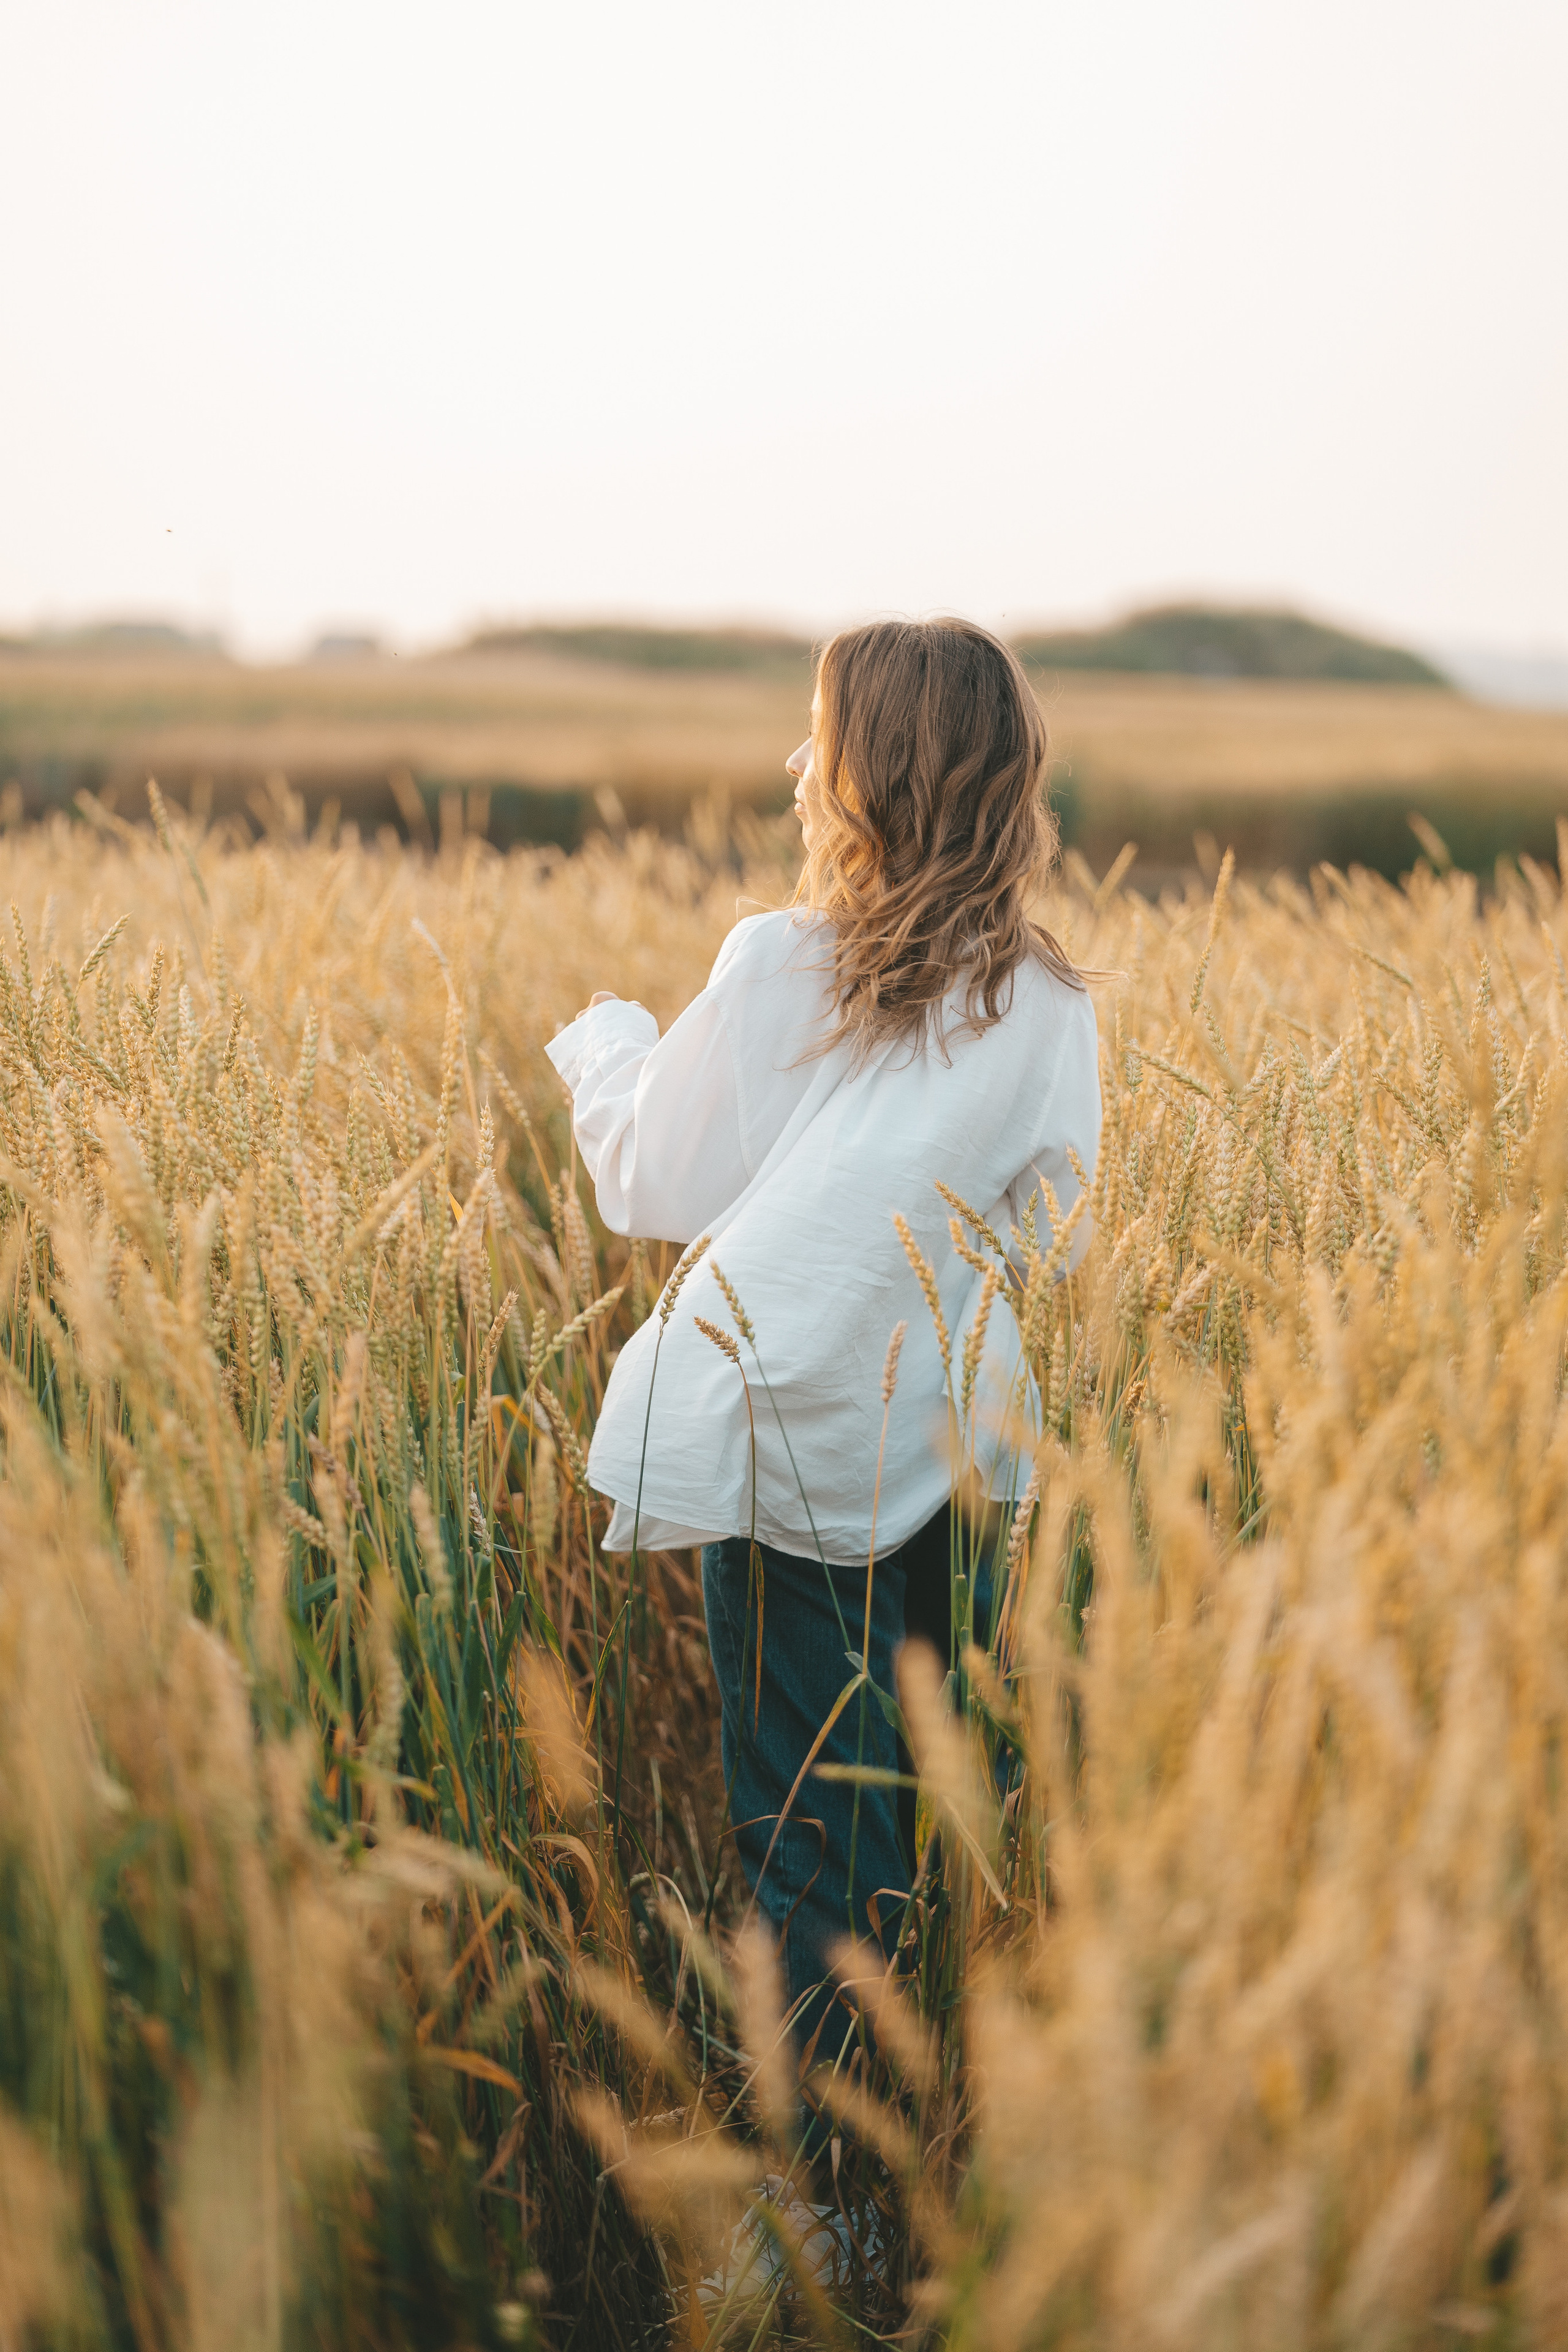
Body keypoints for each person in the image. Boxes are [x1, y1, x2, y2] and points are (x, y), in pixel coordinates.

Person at [545, 616, 1100, 2109]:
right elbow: (1043, 1234)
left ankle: (831, 2203)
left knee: (800, 1832)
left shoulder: (779, 963)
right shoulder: (1052, 1010)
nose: (800, 762)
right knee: (931, 1811)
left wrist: (602, 1047)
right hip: (958, 1462)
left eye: (820, 736)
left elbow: (650, 1181)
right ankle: (919, 2137)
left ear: (869, 777)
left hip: (789, 1447)